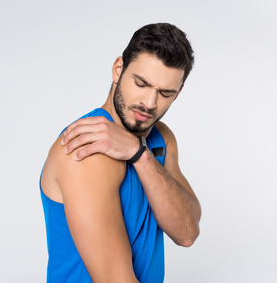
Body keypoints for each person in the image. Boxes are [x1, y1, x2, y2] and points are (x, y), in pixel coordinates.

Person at [40, 23, 201, 282]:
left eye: (165, 93)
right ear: (118, 70)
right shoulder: (86, 149)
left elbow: (187, 231)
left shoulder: (161, 139)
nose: (149, 103)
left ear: (178, 93)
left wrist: (139, 154)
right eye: (141, 83)